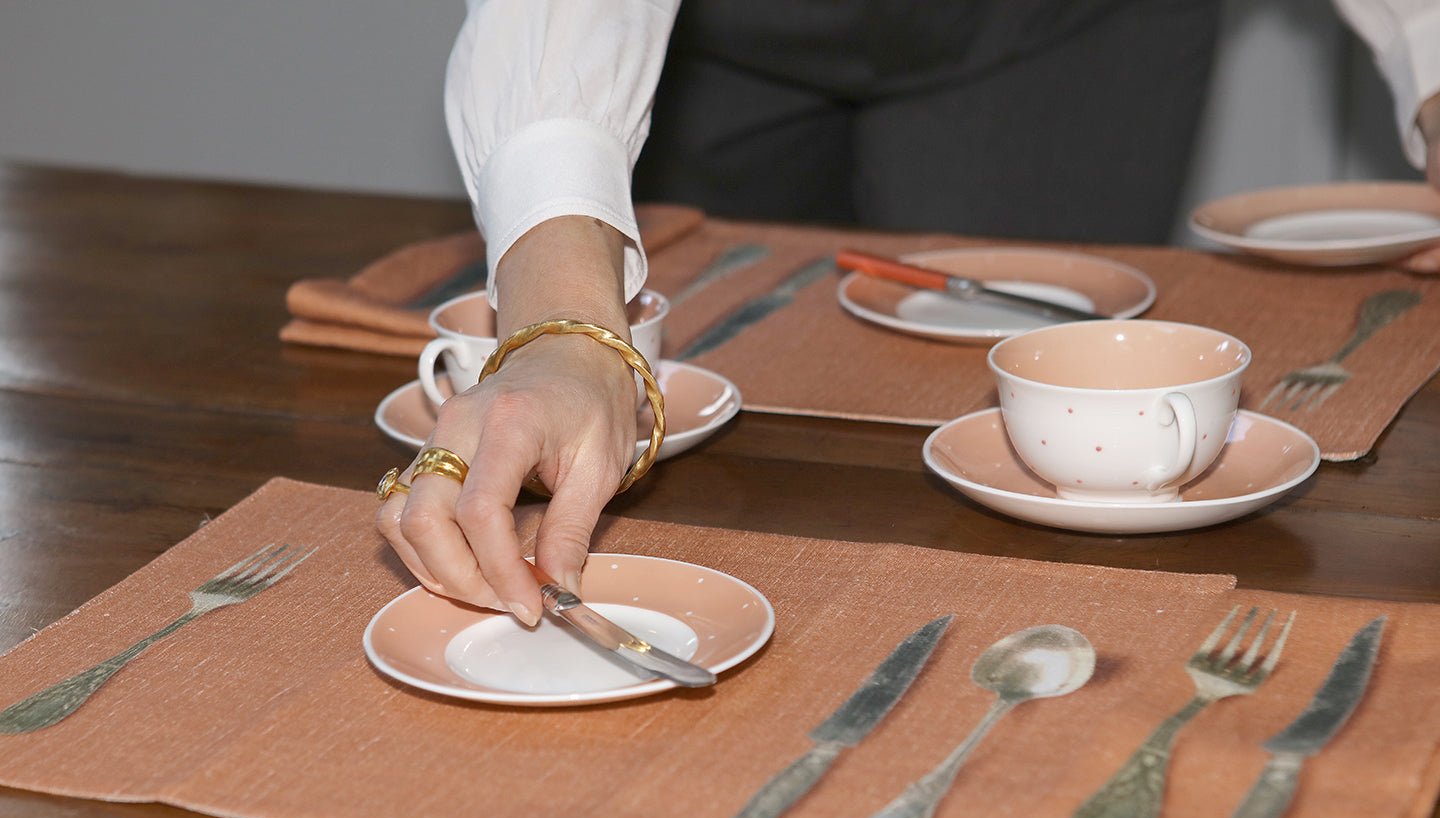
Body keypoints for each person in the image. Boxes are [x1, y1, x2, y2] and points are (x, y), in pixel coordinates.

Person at [377, 0, 1440, 625]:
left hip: (1062, 32)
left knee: (1054, 483)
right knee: (723, 482)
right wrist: (566, 323)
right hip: (718, 36)